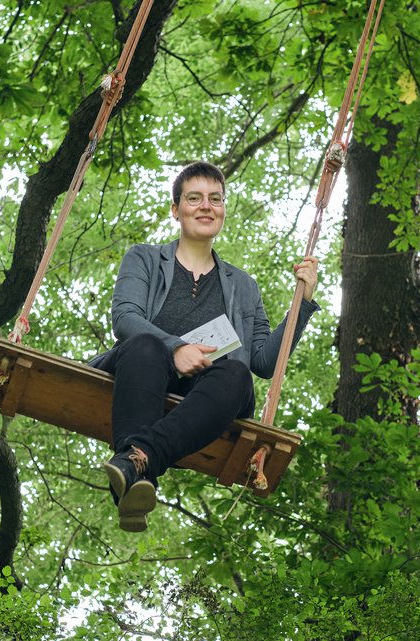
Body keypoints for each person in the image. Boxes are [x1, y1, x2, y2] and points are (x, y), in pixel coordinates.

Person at [89, 161, 319, 532]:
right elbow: (125, 318)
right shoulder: (144, 258)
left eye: (216, 199)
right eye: (194, 198)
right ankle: (140, 465)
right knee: (146, 344)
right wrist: (176, 349)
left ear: (224, 210)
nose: (206, 206)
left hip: (207, 391)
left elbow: (265, 361)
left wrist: (301, 305)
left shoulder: (243, 286)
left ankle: (136, 462)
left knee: (237, 373)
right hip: (143, 371)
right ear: (176, 210)